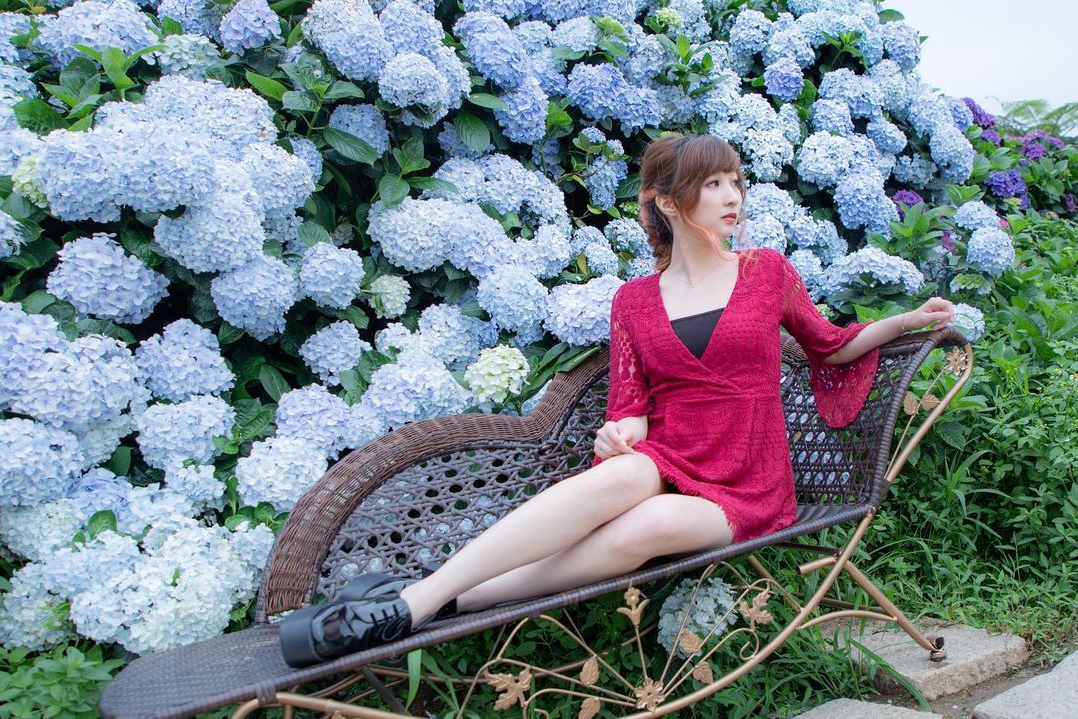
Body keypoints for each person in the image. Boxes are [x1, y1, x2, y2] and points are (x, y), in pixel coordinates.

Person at [280, 133, 956, 667]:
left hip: (748, 480)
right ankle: (415, 603)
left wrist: (905, 321)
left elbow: (830, 346)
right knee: (623, 474)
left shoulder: (766, 272)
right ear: (668, 202)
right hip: (670, 454)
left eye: (736, 182)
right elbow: (630, 406)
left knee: (647, 527)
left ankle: (430, 598)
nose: (732, 197)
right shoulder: (633, 300)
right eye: (713, 184)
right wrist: (618, 434)